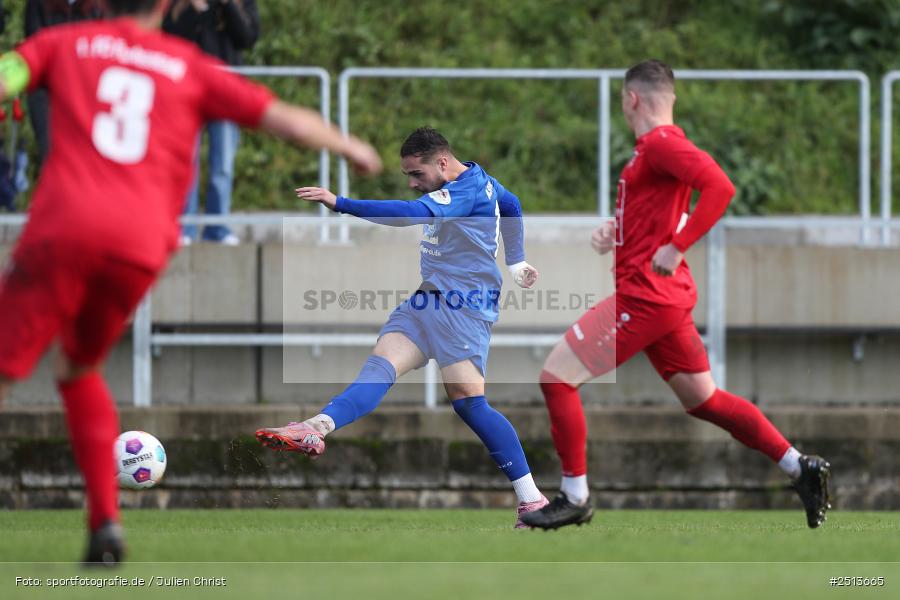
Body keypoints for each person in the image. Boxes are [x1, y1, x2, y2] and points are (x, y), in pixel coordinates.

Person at [0, 0, 381, 565]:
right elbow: (283, 118)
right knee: (79, 369)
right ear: (163, 5)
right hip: (139, 246)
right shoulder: (187, 64)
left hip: (65, 226)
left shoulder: (67, 43)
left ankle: (105, 518)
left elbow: (10, 74)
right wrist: (349, 146)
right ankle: (105, 523)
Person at [521, 60, 831, 530]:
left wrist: (678, 244)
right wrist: (619, 230)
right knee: (704, 399)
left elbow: (720, 188)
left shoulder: (662, 144)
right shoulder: (653, 150)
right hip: (663, 297)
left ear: (631, 99)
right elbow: (662, 211)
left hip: (646, 298)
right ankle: (798, 466)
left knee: (557, 378)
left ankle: (575, 496)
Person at [256, 127, 550, 528]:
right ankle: (315, 427)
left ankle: (531, 500)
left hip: (463, 309)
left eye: (418, 174)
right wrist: (516, 262)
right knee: (380, 366)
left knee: (470, 404)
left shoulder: (465, 191)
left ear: (442, 163)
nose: (413, 184)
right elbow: (511, 204)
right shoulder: (484, 184)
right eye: (408, 177)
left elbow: (409, 214)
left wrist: (340, 203)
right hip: (428, 300)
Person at [164, 0, 259, 245]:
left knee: (223, 165)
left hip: (226, 91)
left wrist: (228, 6)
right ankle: (186, 227)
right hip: (188, 89)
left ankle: (217, 228)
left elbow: (247, 38)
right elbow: (170, 36)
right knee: (187, 162)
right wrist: (196, 10)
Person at [25, 0, 104, 168]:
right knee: (52, 158)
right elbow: (33, 46)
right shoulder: (38, 4)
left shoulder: (101, 6)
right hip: (48, 94)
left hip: (89, 94)